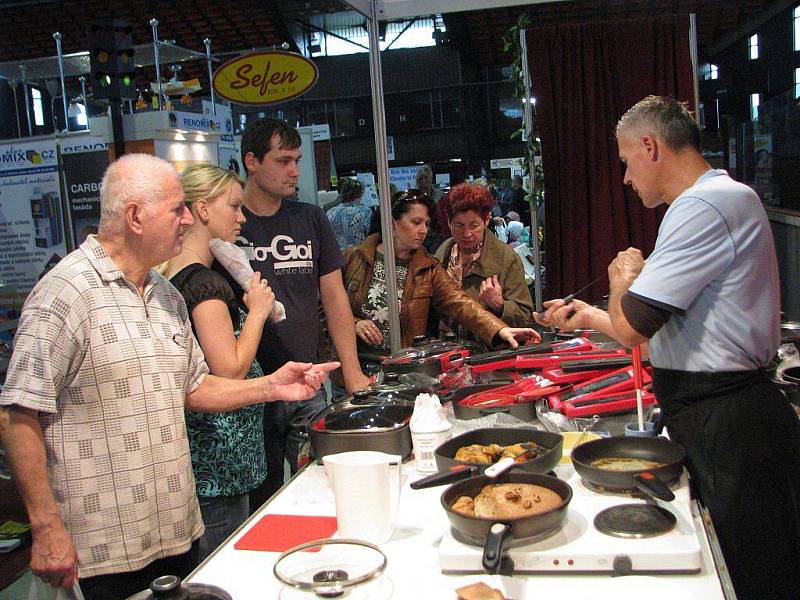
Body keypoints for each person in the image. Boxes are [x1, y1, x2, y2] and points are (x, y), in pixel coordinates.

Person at [0, 154, 337, 600]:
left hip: (176, 533)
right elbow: (18, 411)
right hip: (100, 550)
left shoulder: (164, 295)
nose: (187, 218)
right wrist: (44, 528)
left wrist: (271, 385)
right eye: (177, 208)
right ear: (136, 217)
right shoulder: (65, 293)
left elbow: (193, 387)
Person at [534, 96, 800, 600]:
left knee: (760, 573)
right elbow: (673, 331)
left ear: (650, 146)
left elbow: (635, 325)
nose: (628, 179)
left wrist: (622, 279)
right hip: (719, 414)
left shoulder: (703, 205)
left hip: (731, 424)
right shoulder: (716, 199)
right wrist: (590, 317)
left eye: (626, 162)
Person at [236, 118, 371, 503]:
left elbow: (335, 299)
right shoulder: (229, 223)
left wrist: (353, 371)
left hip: (307, 378)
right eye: (282, 161)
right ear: (252, 161)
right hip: (248, 387)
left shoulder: (310, 218)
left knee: (317, 489)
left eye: (296, 159)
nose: (294, 170)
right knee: (258, 501)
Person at [160, 164, 274, 562]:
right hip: (219, 463)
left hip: (213, 462)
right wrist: (258, 311)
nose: (241, 218)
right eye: (234, 207)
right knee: (222, 562)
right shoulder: (204, 285)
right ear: (203, 210)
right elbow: (229, 368)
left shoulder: (182, 277)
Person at [343, 189, 539, 354]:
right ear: (393, 222)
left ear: (486, 221)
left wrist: (500, 328)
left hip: (408, 368)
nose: (423, 231)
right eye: (416, 222)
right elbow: (326, 310)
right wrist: (353, 323)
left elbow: (460, 303)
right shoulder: (354, 258)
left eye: (426, 224)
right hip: (356, 368)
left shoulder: (427, 266)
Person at [434, 183, 533, 333]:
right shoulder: (444, 251)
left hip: (489, 352)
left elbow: (524, 316)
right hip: (449, 349)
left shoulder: (506, 258)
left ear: (486, 220)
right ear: (449, 222)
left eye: (474, 225)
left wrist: (500, 306)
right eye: (459, 225)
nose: (467, 234)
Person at [326, 178, 371, 250]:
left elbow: (327, 238)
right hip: (358, 256)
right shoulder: (365, 212)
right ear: (359, 194)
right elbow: (370, 237)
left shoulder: (331, 212)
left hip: (338, 256)